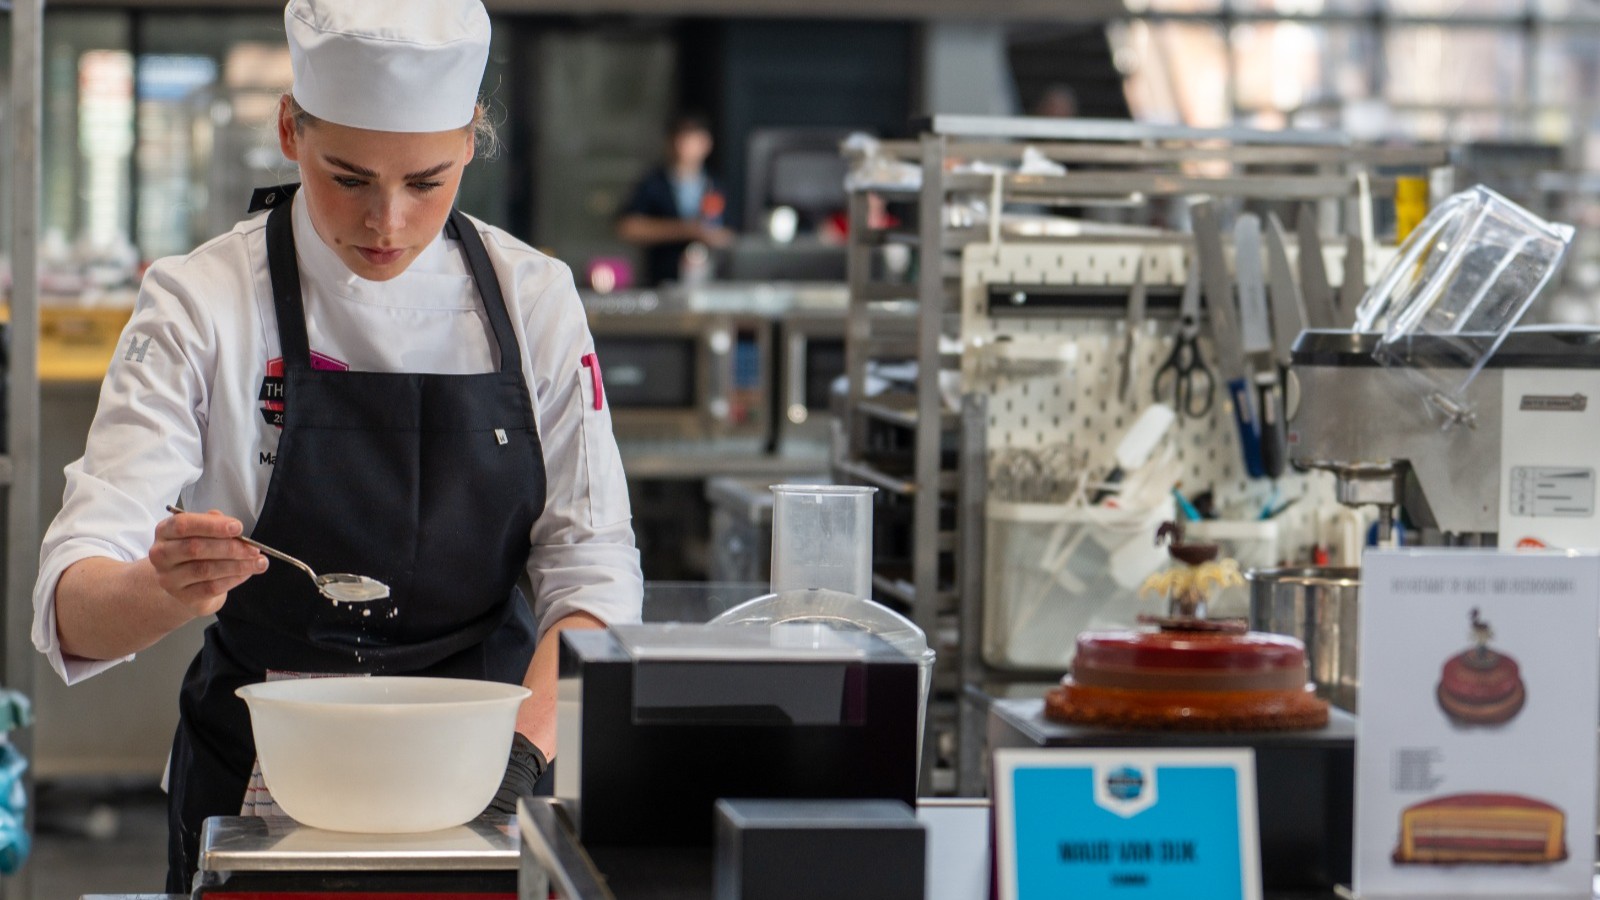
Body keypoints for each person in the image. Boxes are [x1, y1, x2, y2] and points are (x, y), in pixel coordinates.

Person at [30, 1, 643, 891]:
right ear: (290, 128)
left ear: (472, 139)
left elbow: (592, 573)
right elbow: (71, 605)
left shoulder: (533, 299)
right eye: (348, 178)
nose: (385, 222)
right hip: (259, 783)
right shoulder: (201, 303)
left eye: (426, 182)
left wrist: (513, 765)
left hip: (495, 767)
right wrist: (161, 590)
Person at [615, 113, 733, 285]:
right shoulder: (654, 183)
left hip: (709, 278)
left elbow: (732, 231)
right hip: (662, 279)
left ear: (706, 144)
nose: (685, 147)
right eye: (682, 140)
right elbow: (627, 226)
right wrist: (685, 229)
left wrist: (715, 236)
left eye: (693, 140)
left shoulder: (716, 185)